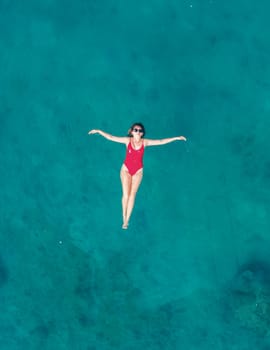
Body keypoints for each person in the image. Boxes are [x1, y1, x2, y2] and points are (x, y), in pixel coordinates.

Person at [88, 122, 186, 229]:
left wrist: (176, 138)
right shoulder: (127, 141)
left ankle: (126, 220)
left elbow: (161, 141)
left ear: (142, 133)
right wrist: (98, 131)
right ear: (132, 131)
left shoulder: (145, 142)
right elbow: (111, 137)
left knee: (132, 195)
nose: (138, 132)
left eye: (140, 130)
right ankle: (123, 215)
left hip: (138, 171)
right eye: (135, 130)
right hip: (126, 169)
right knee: (126, 194)